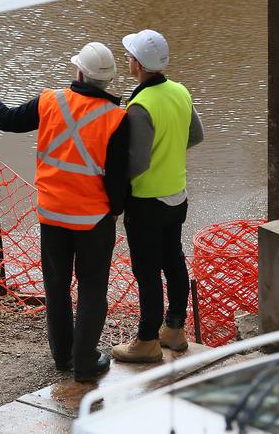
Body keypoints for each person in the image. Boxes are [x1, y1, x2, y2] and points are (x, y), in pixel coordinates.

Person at [0, 42, 129, 382]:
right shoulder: (117, 118)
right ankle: (85, 362)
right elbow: (118, 177)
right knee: (93, 288)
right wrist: (116, 210)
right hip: (93, 219)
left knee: (56, 285)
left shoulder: (50, 100)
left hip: (52, 215)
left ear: (79, 71)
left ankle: (63, 357)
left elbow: (6, 120)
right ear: (108, 81)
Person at [112, 29, 203, 363]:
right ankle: (175, 330)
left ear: (137, 64)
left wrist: (114, 191)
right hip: (177, 195)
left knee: (147, 271)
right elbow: (196, 134)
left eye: (129, 56)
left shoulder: (140, 105)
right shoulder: (180, 91)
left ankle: (147, 340)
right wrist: (170, 153)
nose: (127, 60)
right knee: (174, 260)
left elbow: (136, 163)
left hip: (147, 201)